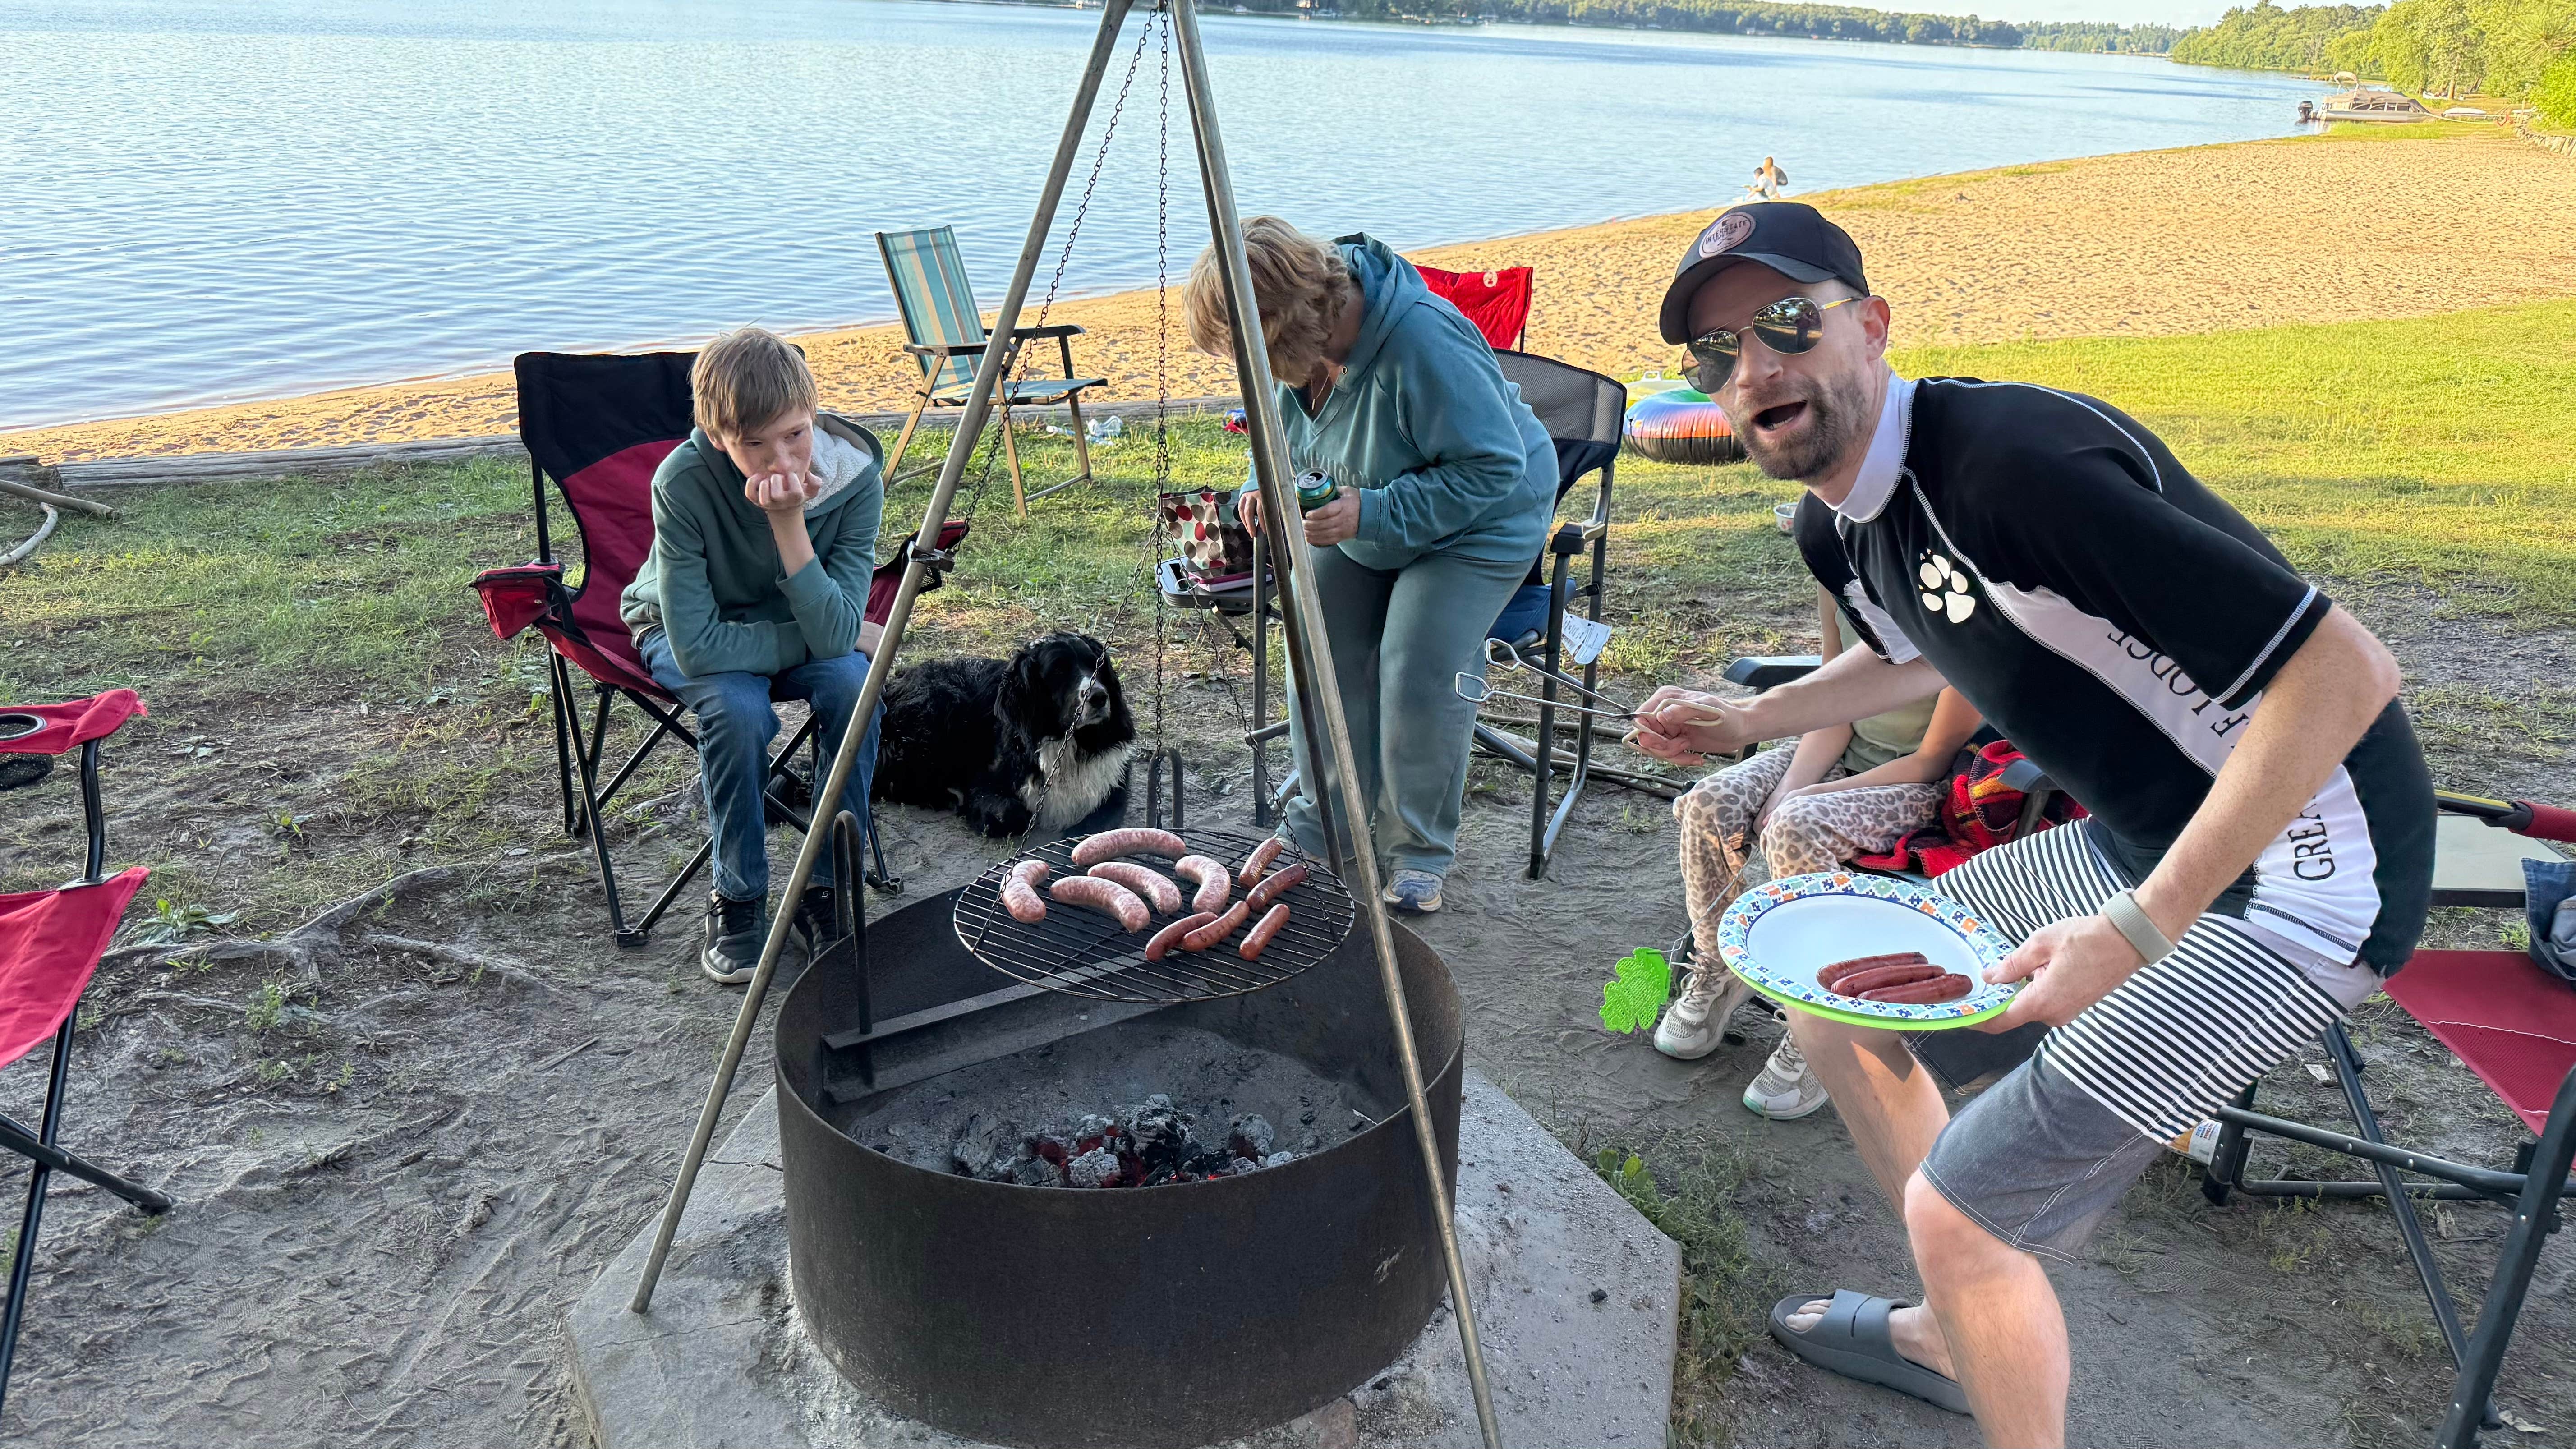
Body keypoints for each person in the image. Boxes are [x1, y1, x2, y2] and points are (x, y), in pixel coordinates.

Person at [1632, 202, 2432, 1446]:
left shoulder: (2010, 467)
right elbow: (1915, 648)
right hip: (2142, 831)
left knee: (1962, 1214)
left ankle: (1967, 1276)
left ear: (1872, 326)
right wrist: (1754, 718)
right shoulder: (1837, 520)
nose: (1754, 367)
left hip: (2313, 867)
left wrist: (2139, 927)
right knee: (1827, 1000)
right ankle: (1965, 1319)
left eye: (1787, 321)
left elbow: (2348, 672)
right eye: (1716, 350)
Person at [1185, 217, 1556, 914]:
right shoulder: (1293, 341)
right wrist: (1261, 481)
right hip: (1362, 506)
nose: (1247, 370)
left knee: (1415, 663)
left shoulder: (1423, 341)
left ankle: (1416, 851)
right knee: (1317, 642)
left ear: (1291, 326)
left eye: (1250, 354)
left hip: (1482, 519)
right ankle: (1325, 824)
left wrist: (1375, 512)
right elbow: (1282, 430)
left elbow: (1494, 469)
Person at [620, 326, 887, 984]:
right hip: (684, 632)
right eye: (754, 444)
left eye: (796, 434)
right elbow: (699, 646)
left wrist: (789, 522)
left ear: (814, 412)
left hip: (791, 620)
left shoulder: (855, 479)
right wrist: (836, 633)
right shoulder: (682, 482)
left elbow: (836, 642)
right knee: (738, 709)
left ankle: (827, 886)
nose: (781, 461)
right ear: (718, 437)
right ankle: (737, 896)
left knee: (853, 684)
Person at [1661, 584, 1984, 1122]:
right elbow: (1834, 714)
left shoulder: (1962, 607)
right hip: (1837, 756)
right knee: (1708, 803)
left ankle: (1822, 1019)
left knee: (1798, 827)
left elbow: (1931, 759)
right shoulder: (1840, 582)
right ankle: (1720, 966)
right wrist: (1791, 786)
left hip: (1919, 784)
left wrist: (1803, 800)